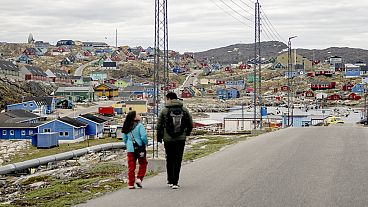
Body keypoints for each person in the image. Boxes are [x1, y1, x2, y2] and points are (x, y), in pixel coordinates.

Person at [157, 92, 193, 189]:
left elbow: (159, 125)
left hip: (168, 139)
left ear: (168, 98)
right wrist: (187, 133)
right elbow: (190, 123)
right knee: (178, 159)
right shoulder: (184, 110)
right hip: (181, 139)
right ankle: (175, 182)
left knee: (169, 158)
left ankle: (170, 180)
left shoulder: (164, 111)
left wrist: (159, 137)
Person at [122, 111, 148, 189]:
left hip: (130, 149)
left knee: (131, 166)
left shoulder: (126, 126)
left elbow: (124, 139)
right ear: (134, 118)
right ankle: (139, 178)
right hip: (139, 148)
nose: (139, 115)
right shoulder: (140, 125)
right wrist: (145, 143)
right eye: (137, 114)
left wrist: (129, 144)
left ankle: (130, 184)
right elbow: (143, 136)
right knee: (143, 163)